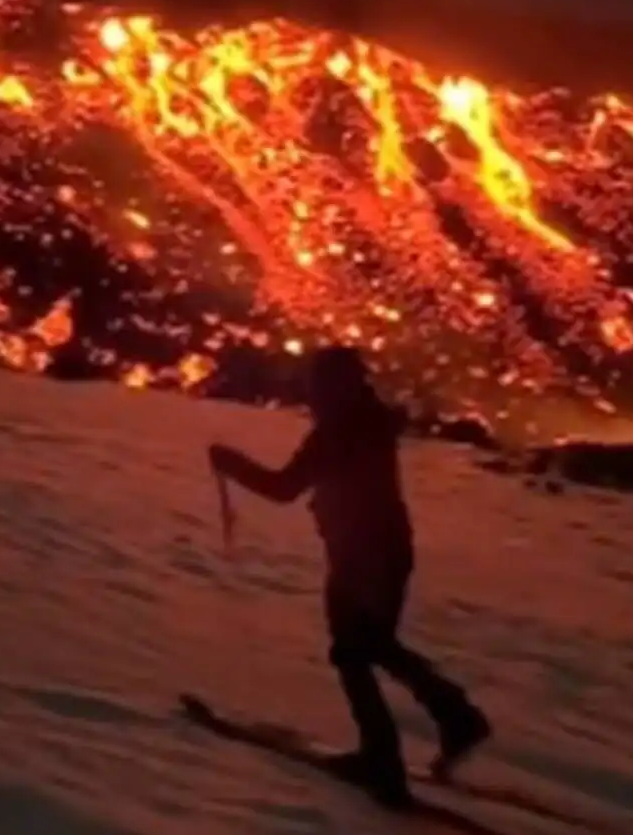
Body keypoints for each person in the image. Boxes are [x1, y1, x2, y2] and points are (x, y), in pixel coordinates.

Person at [207, 346, 492, 808]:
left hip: (360, 557)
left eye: (317, 384)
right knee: (373, 645)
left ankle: (385, 758)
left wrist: (230, 463)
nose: (311, 393)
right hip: (389, 551)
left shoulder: (337, 432)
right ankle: (455, 719)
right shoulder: (370, 423)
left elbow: (283, 489)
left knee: (352, 651)